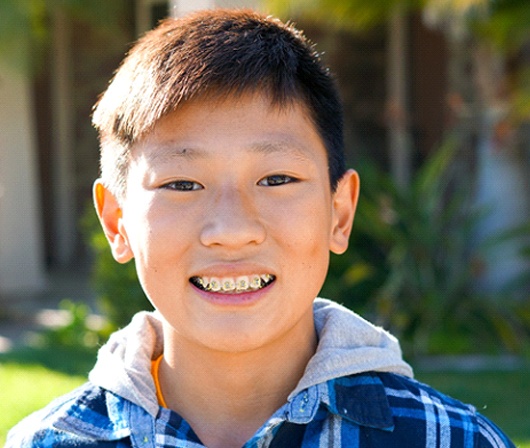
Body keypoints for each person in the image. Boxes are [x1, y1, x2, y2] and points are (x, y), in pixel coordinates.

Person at [7, 8, 514, 448]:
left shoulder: (452, 440)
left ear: (339, 213)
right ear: (116, 222)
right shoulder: (50, 441)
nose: (232, 230)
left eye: (276, 178)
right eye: (182, 184)